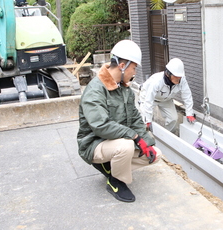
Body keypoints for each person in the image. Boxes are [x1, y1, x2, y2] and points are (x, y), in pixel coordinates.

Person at [77, 40, 162, 203]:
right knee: (126, 146)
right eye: (134, 67)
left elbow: (135, 118)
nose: (134, 72)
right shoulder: (95, 90)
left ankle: (110, 166)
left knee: (155, 154)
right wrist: (135, 137)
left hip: (114, 142)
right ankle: (116, 181)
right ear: (122, 65)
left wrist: (147, 142)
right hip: (94, 143)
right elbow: (100, 126)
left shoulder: (124, 88)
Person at [139, 58, 196, 133]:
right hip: (147, 97)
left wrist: (189, 113)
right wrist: (148, 120)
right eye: (176, 76)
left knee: (173, 119)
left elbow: (187, 95)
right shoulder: (157, 81)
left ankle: (167, 136)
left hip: (165, 99)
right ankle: (147, 140)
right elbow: (149, 100)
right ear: (168, 74)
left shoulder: (182, 80)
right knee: (145, 121)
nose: (178, 79)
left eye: (179, 77)